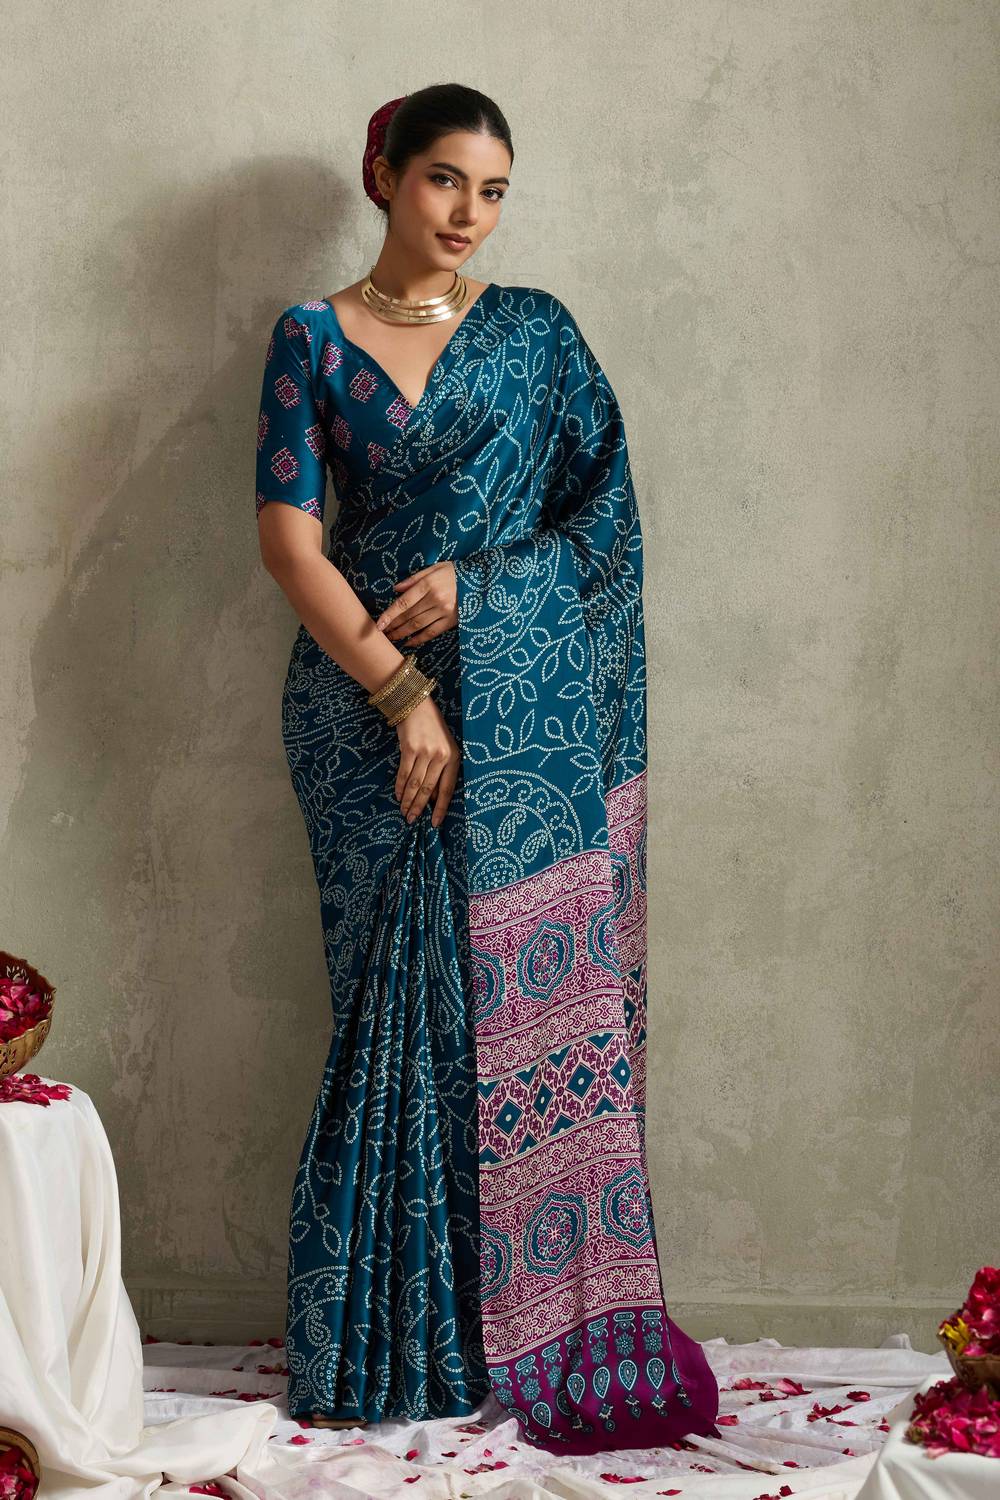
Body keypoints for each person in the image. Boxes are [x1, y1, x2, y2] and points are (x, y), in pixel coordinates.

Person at [255, 81, 720, 1457]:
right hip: (360, 710)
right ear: (385, 176)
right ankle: (387, 1342)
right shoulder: (310, 340)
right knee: (394, 1014)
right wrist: (403, 695)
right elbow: (288, 541)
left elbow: (604, 521)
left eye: (496, 190)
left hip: (526, 713)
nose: (470, 213)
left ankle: (512, 1324)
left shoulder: (538, 337)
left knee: (494, 1015)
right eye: (447, 180)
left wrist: (479, 584)